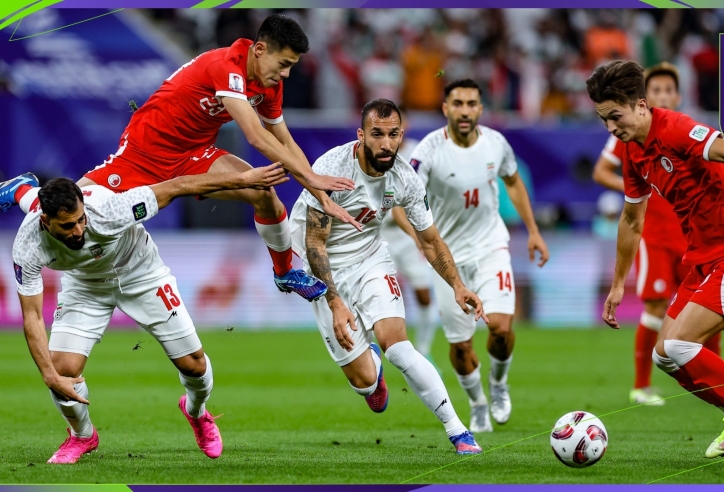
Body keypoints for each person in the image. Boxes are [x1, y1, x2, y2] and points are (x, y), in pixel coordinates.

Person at [3, 13, 359, 302]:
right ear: (260, 49)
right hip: (144, 154)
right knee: (79, 205)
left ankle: (284, 273)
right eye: (284, 64)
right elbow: (256, 137)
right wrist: (311, 180)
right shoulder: (227, 66)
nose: (286, 74)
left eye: (292, 66)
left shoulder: (269, 84)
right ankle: (24, 192)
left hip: (195, 154)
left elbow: (284, 140)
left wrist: (318, 191)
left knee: (263, 193)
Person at [12, 163, 288, 464]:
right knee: (62, 369)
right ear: (46, 221)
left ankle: (197, 412)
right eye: (67, 226)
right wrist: (49, 376)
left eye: (81, 220)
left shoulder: (111, 210)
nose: (79, 231)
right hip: (85, 286)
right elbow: (33, 317)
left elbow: (178, 186)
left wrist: (242, 179)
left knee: (194, 365)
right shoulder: (27, 246)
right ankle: (82, 435)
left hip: (141, 274)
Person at [289, 99, 485, 454]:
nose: (385, 143)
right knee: (366, 386)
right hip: (322, 266)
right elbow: (315, 241)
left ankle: (458, 431)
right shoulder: (332, 167)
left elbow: (430, 240)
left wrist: (457, 285)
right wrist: (335, 303)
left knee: (398, 346)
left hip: (371, 257)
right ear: (361, 135)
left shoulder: (405, 178)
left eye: (393, 134)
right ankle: (371, 371)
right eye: (377, 134)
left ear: (401, 135)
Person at [586, 59, 724, 458]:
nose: (611, 128)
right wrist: (616, 285)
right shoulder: (633, 154)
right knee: (665, 354)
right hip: (701, 261)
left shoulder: (677, 128)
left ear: (641, 106)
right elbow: (631, 220)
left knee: (681, 345)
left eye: (615, 116)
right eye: (604, 120)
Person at [402, 79, 549, 434]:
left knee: (500, 328)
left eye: (471, 104)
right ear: (446, 108)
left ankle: (498, 385)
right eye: (458, 103)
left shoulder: (496, 144)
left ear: (480, 109)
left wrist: (532, 230)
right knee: (461, 345)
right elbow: (401, 200)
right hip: (446, 259)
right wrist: (420, 240)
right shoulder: (428, 153)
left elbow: (513, 183)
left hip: (490, 247)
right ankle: (477, 403)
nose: (465, 110)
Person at [379, 108, 438, 371]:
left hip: (409, 234)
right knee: (377, 295)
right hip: (379, 233)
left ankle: (424, 351)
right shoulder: (373, 151)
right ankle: (373, 354)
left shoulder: (416, 153)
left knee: (424, 293)